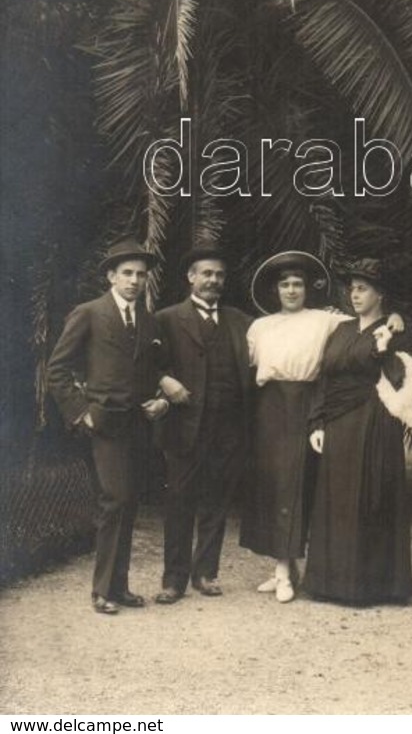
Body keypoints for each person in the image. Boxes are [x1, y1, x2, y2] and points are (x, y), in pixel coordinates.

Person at [47, 238, 174, 614]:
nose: (135, 281)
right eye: (127, 274)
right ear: (111, 276)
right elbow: (57, 369)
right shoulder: (89, 313)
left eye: (141, 275)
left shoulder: (149, 320)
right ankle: (101, 590)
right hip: (104, 424)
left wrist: (160, 399)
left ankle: (119, 587)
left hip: (138, 424)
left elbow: (155, 371)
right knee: (114, 499)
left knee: (129, 502)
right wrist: (80, 410)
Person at [304, 259, 412, 606]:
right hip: (338, 422)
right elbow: (325, 377)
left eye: (363, 288)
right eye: (352, 288)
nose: (354, 295)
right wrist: (317, 421)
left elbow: (403, 379)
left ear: (380, 294)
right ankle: (330, 583)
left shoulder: (396, 329)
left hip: (373, 419)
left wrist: (386, 347)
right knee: (336, 497)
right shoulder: (342, 330)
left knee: (369, 496)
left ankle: (371, 586)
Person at [154, 244, 253, 603]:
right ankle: (174, 580)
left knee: (217, 501)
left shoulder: (241, 322)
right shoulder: (166, 319)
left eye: (219, 274)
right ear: (191, 277)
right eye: (206, 273)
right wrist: (164, 380)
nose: (213, 280)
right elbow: (148, 364)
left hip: (228, 430)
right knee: (180, 501)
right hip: (184, 429)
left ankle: (206, 573)